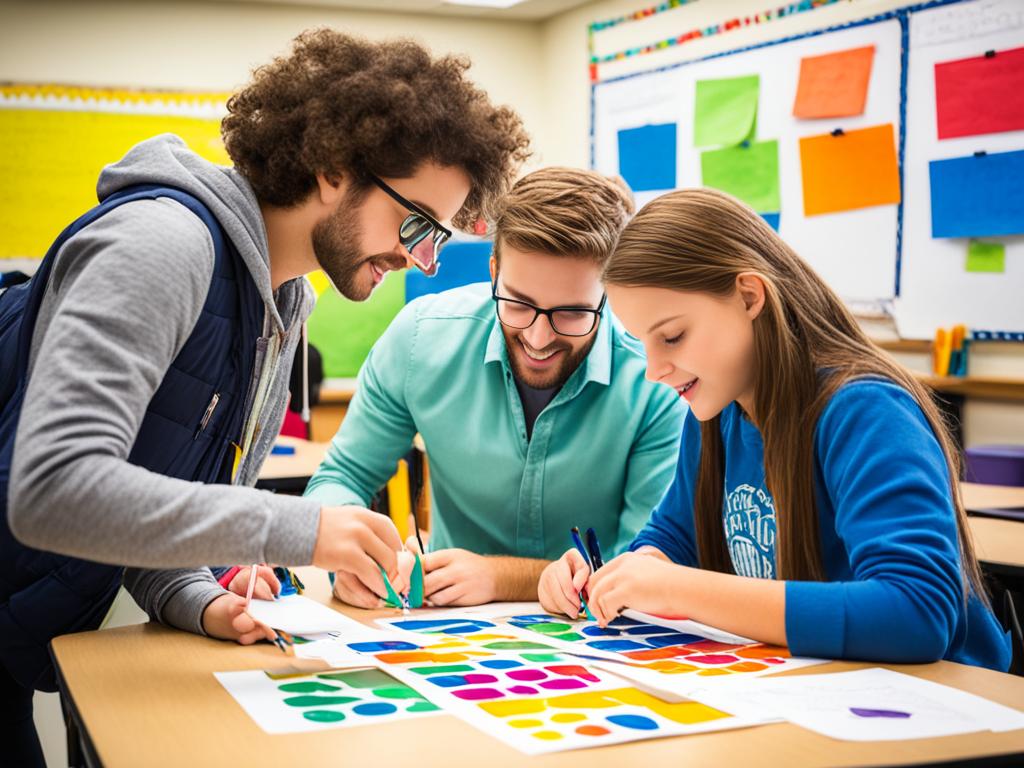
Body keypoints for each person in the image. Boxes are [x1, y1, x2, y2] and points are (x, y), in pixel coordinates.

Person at [0, 29, 530, 765]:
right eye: (416, 225)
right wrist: (298, 527)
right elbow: (52, 493)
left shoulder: (283, 308)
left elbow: (149, 514)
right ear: (334, 169)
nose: (420, 257)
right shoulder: (165, 244)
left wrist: (203, 599)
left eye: (436, 239)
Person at [539, 188, 1011, 672]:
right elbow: (672, 542)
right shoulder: (716, 414)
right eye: (643, 343)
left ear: (749, 296)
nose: (654, 369)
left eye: (673, 336)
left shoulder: (864, 409)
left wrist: (679, 588)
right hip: (820, 691)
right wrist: (615, 576)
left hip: (947, 707)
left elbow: (916, 614)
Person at [305, 168, 686, 608]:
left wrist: (503, 578)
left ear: (612, 295)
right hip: (438, 632)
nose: (539, 339)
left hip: (598, 639)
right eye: (518, 303)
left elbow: (650, 567)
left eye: (573, 313)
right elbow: (341, 478)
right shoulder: (420, 340)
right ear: (493, 272)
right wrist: (351, 558)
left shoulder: (656, 379)